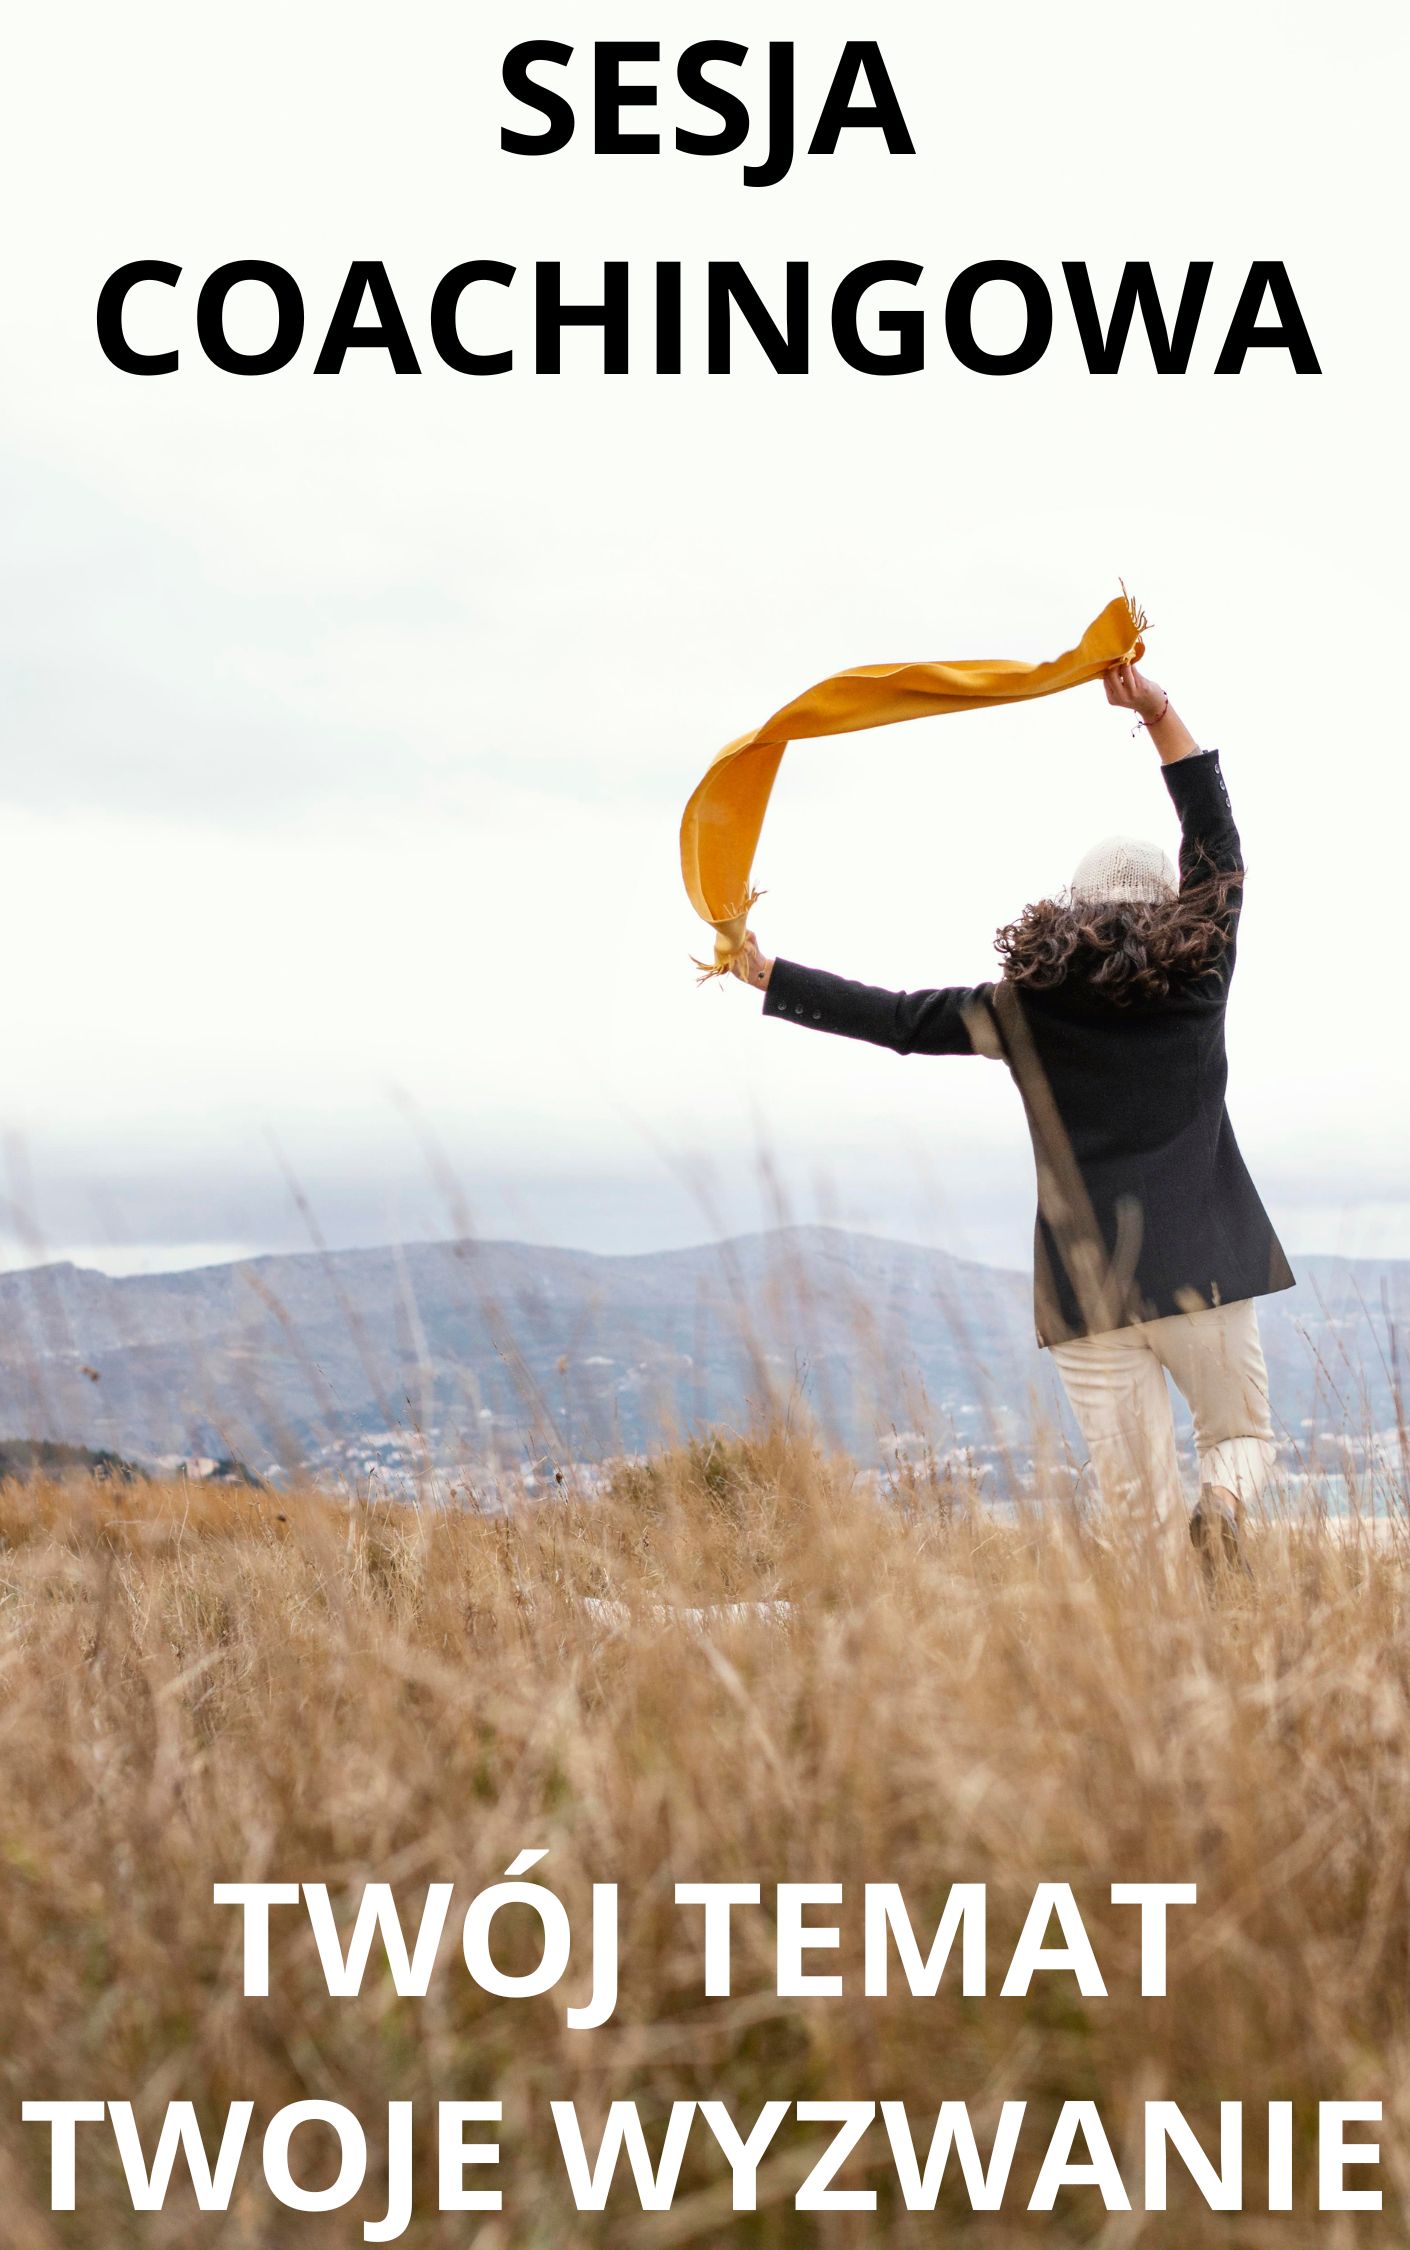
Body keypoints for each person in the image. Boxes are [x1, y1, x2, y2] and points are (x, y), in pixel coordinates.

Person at [731, 660, 1293, 1566]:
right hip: (1204, 1270)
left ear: (1074, 910)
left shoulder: (1023, 1009)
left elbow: (899, 1020)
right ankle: (1222, 1507)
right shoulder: (1198, 978)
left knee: (1138, 1528)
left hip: (1085, 1295)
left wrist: (772, 977)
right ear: (1172, 908)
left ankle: (1157, 1646)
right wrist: (1156, 710)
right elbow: (1217, 843)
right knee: (1242, 1439)